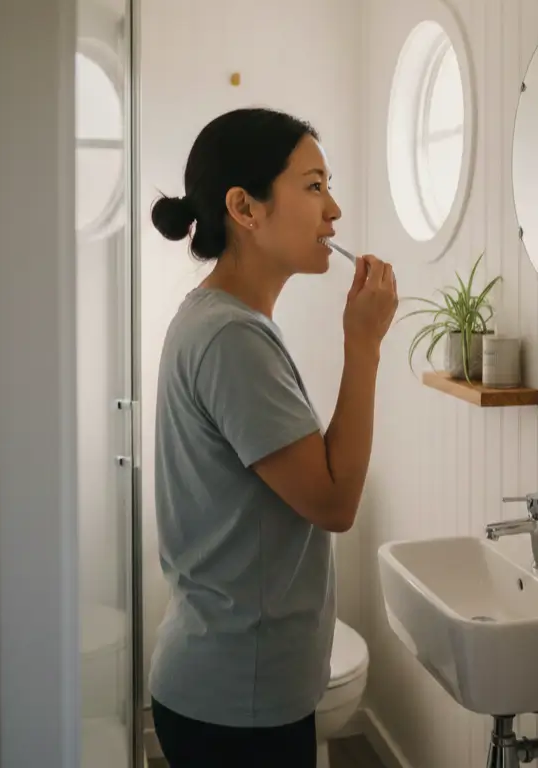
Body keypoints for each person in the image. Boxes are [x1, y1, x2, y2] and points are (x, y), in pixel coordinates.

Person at [147, 107, 398, 767]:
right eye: (314, 186)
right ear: (245, 207)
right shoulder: (232, 337)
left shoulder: (223, 320)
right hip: (236, 705)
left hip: (230, 688)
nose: (335, 210)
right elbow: (335, 503)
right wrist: (363, 345)